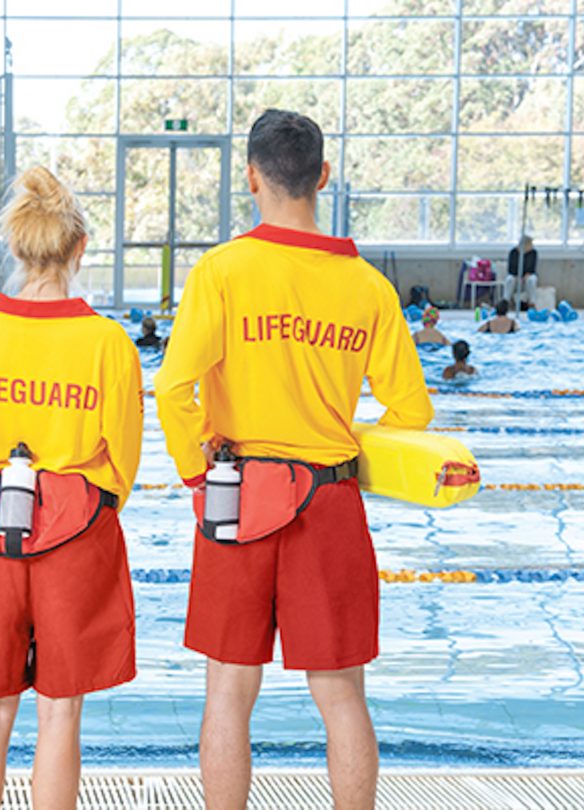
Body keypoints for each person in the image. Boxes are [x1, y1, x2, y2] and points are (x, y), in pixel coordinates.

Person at [154, 109, 433, 810]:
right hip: (330, 502)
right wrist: (336, 448)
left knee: (227, 690)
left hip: (235, 496)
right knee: (340, 696)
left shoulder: (221, 271)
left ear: (251, 178)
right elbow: (412, 415)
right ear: (323, 177)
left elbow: (171, 385)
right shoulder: (368, 287)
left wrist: (198, 467)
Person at [0, 166, 143, 810]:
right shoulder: (108, 342)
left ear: (17, 249)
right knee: (59, 715)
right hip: (77, 537)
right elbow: (122, 461)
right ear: (81, 250)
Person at [505, 235, 538, 308]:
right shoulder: (513, 252)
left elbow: (532, 267)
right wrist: (518, 275)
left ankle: (532, 302)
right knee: (509, 279)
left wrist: (527, 274)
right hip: (515, 275)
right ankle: (506, 301)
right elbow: (511, 268)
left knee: (531, 280)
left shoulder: (533, 253)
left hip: (528, 275)